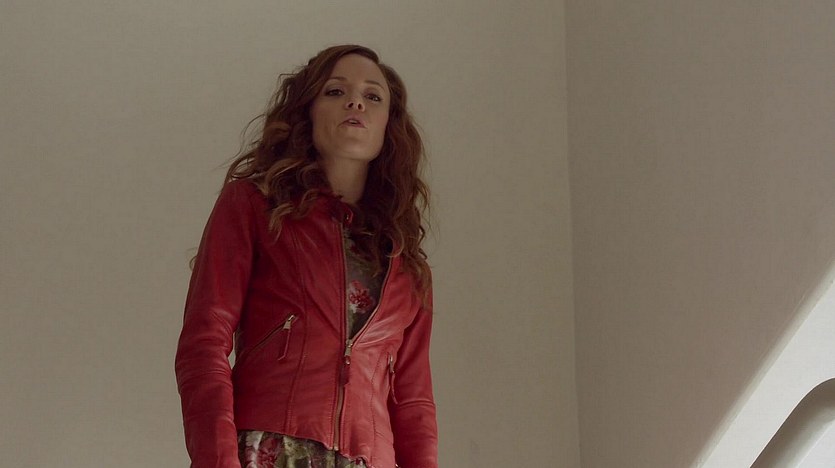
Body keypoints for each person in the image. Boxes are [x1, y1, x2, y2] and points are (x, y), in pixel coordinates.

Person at [174, 44, 437, 468]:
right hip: (270, 450)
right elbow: (204, 341)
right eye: (336, 91)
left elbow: (414, 400)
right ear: (307, 111)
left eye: (373, 96)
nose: (356, 102)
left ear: (389, 125)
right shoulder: (255, 205)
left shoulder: (405, 261)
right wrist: (217, 460)